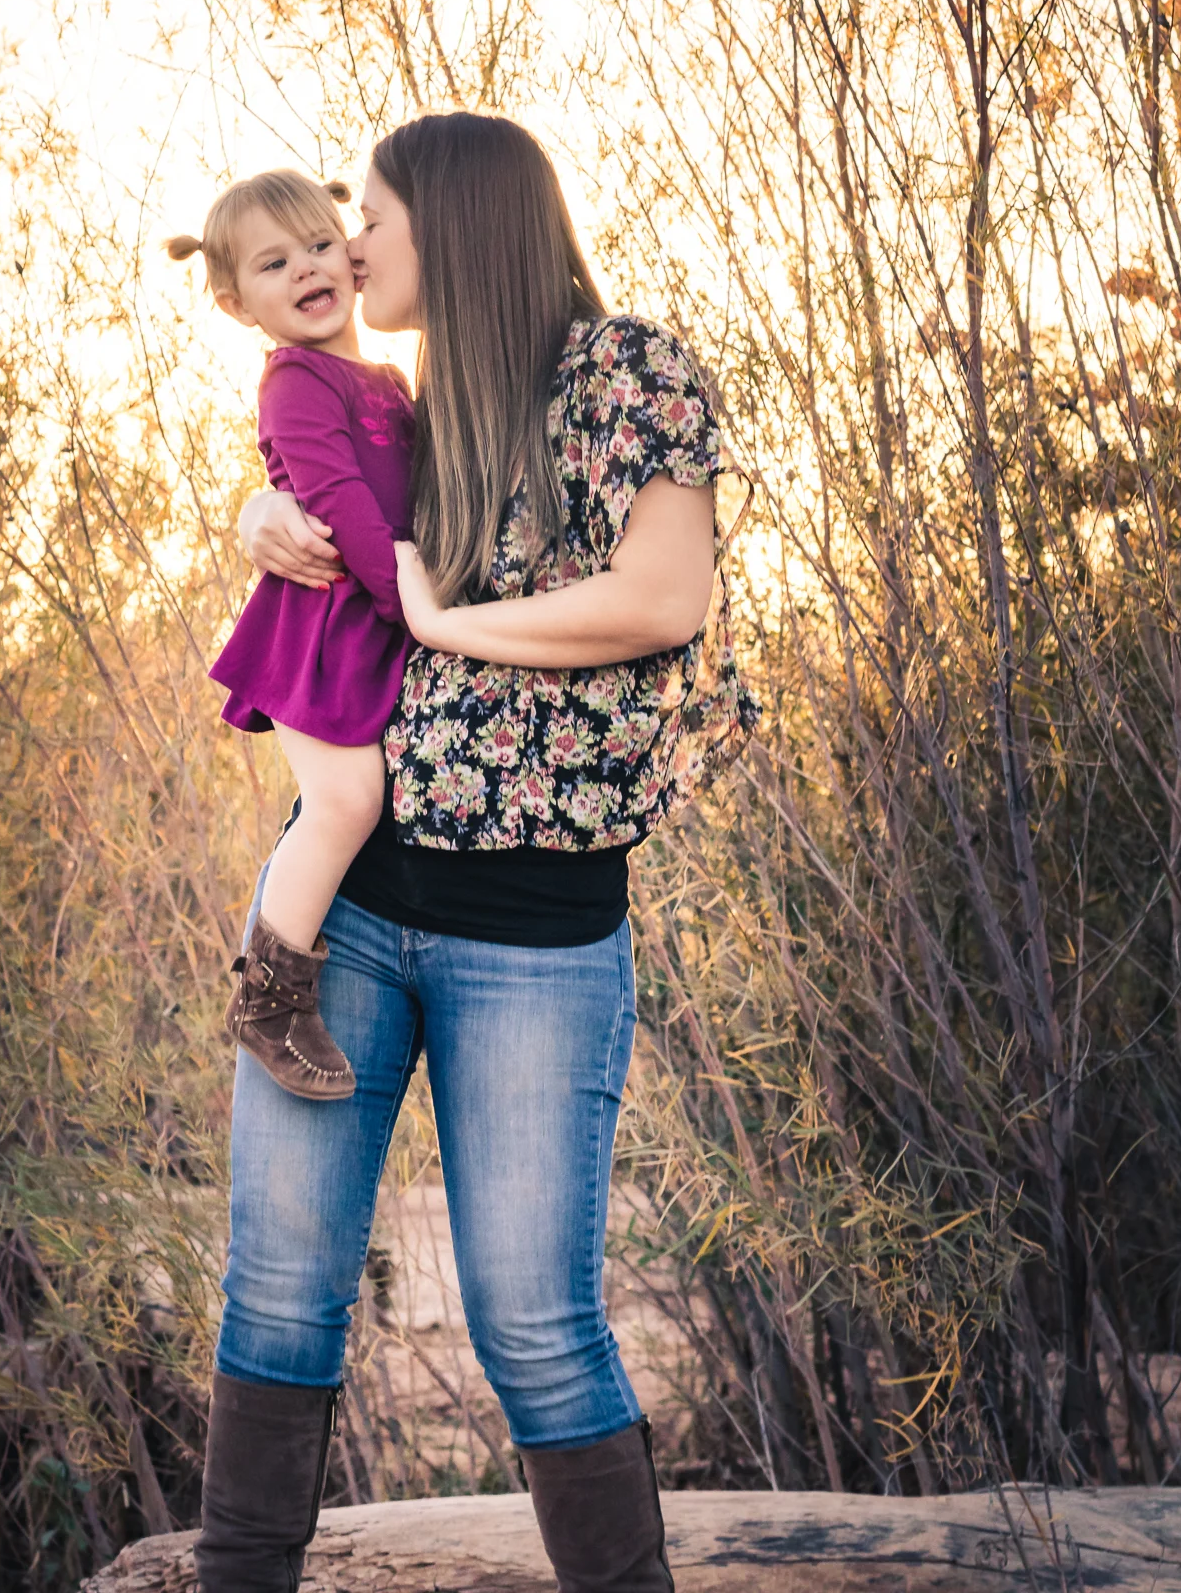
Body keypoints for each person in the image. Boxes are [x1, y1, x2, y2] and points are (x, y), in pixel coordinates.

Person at [194, 112, 732, 1593]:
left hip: (535, 934)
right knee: (282, 1294)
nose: (347, 243)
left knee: (532, 1319)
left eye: (365, 213)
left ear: (455, 218)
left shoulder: (626, 371)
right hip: (356, 910)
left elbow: (658, 597)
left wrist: (447, 624)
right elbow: (328, 504)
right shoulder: (407, 397)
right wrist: (260, 511)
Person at [171, 171, 415, 1101]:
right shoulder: (296, 382)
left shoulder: (387, 378)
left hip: (373, 628)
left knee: (369, 790)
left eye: (318, 244)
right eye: (275, 264)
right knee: (348, 797)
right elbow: (343, 508)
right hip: (314, 633)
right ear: (239, 305)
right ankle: (270, 994)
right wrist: (417, 610)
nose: (307, 268)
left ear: (350, 252)